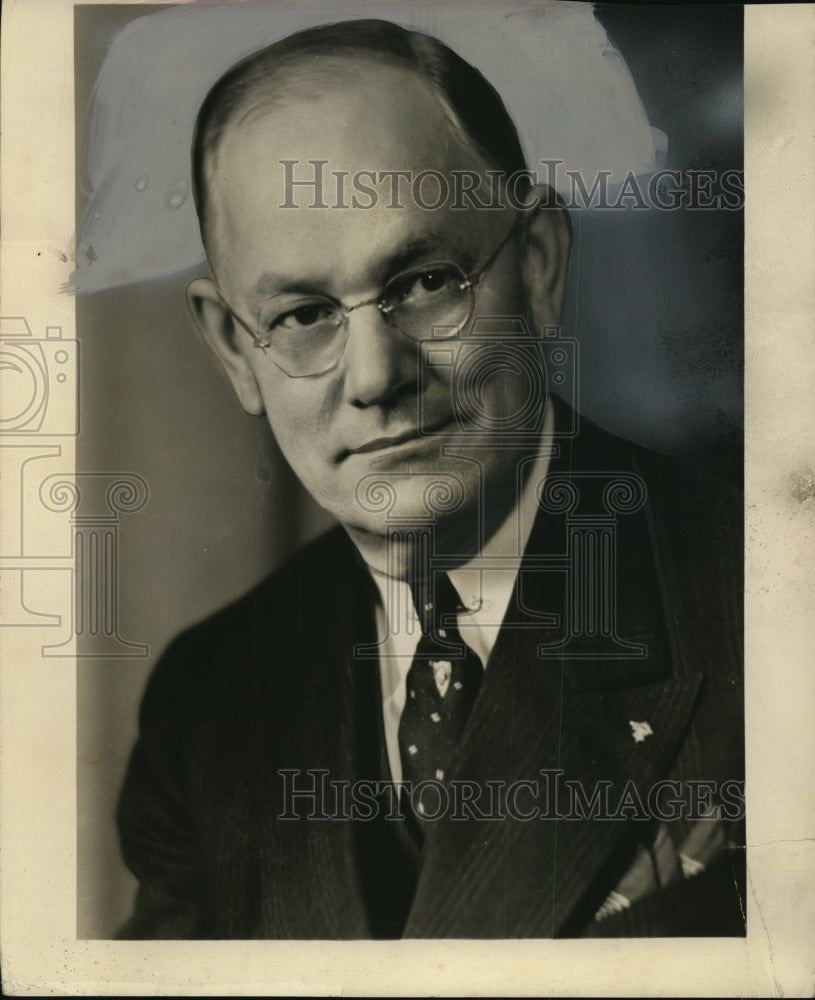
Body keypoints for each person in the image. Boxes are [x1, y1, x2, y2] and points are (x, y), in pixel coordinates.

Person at [116, 18, 744, 939]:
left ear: (537, 266)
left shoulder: (765, 607)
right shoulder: (209, 704)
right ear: (231, 350)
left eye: (424, 281)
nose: (374, 376)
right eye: (301, 314)